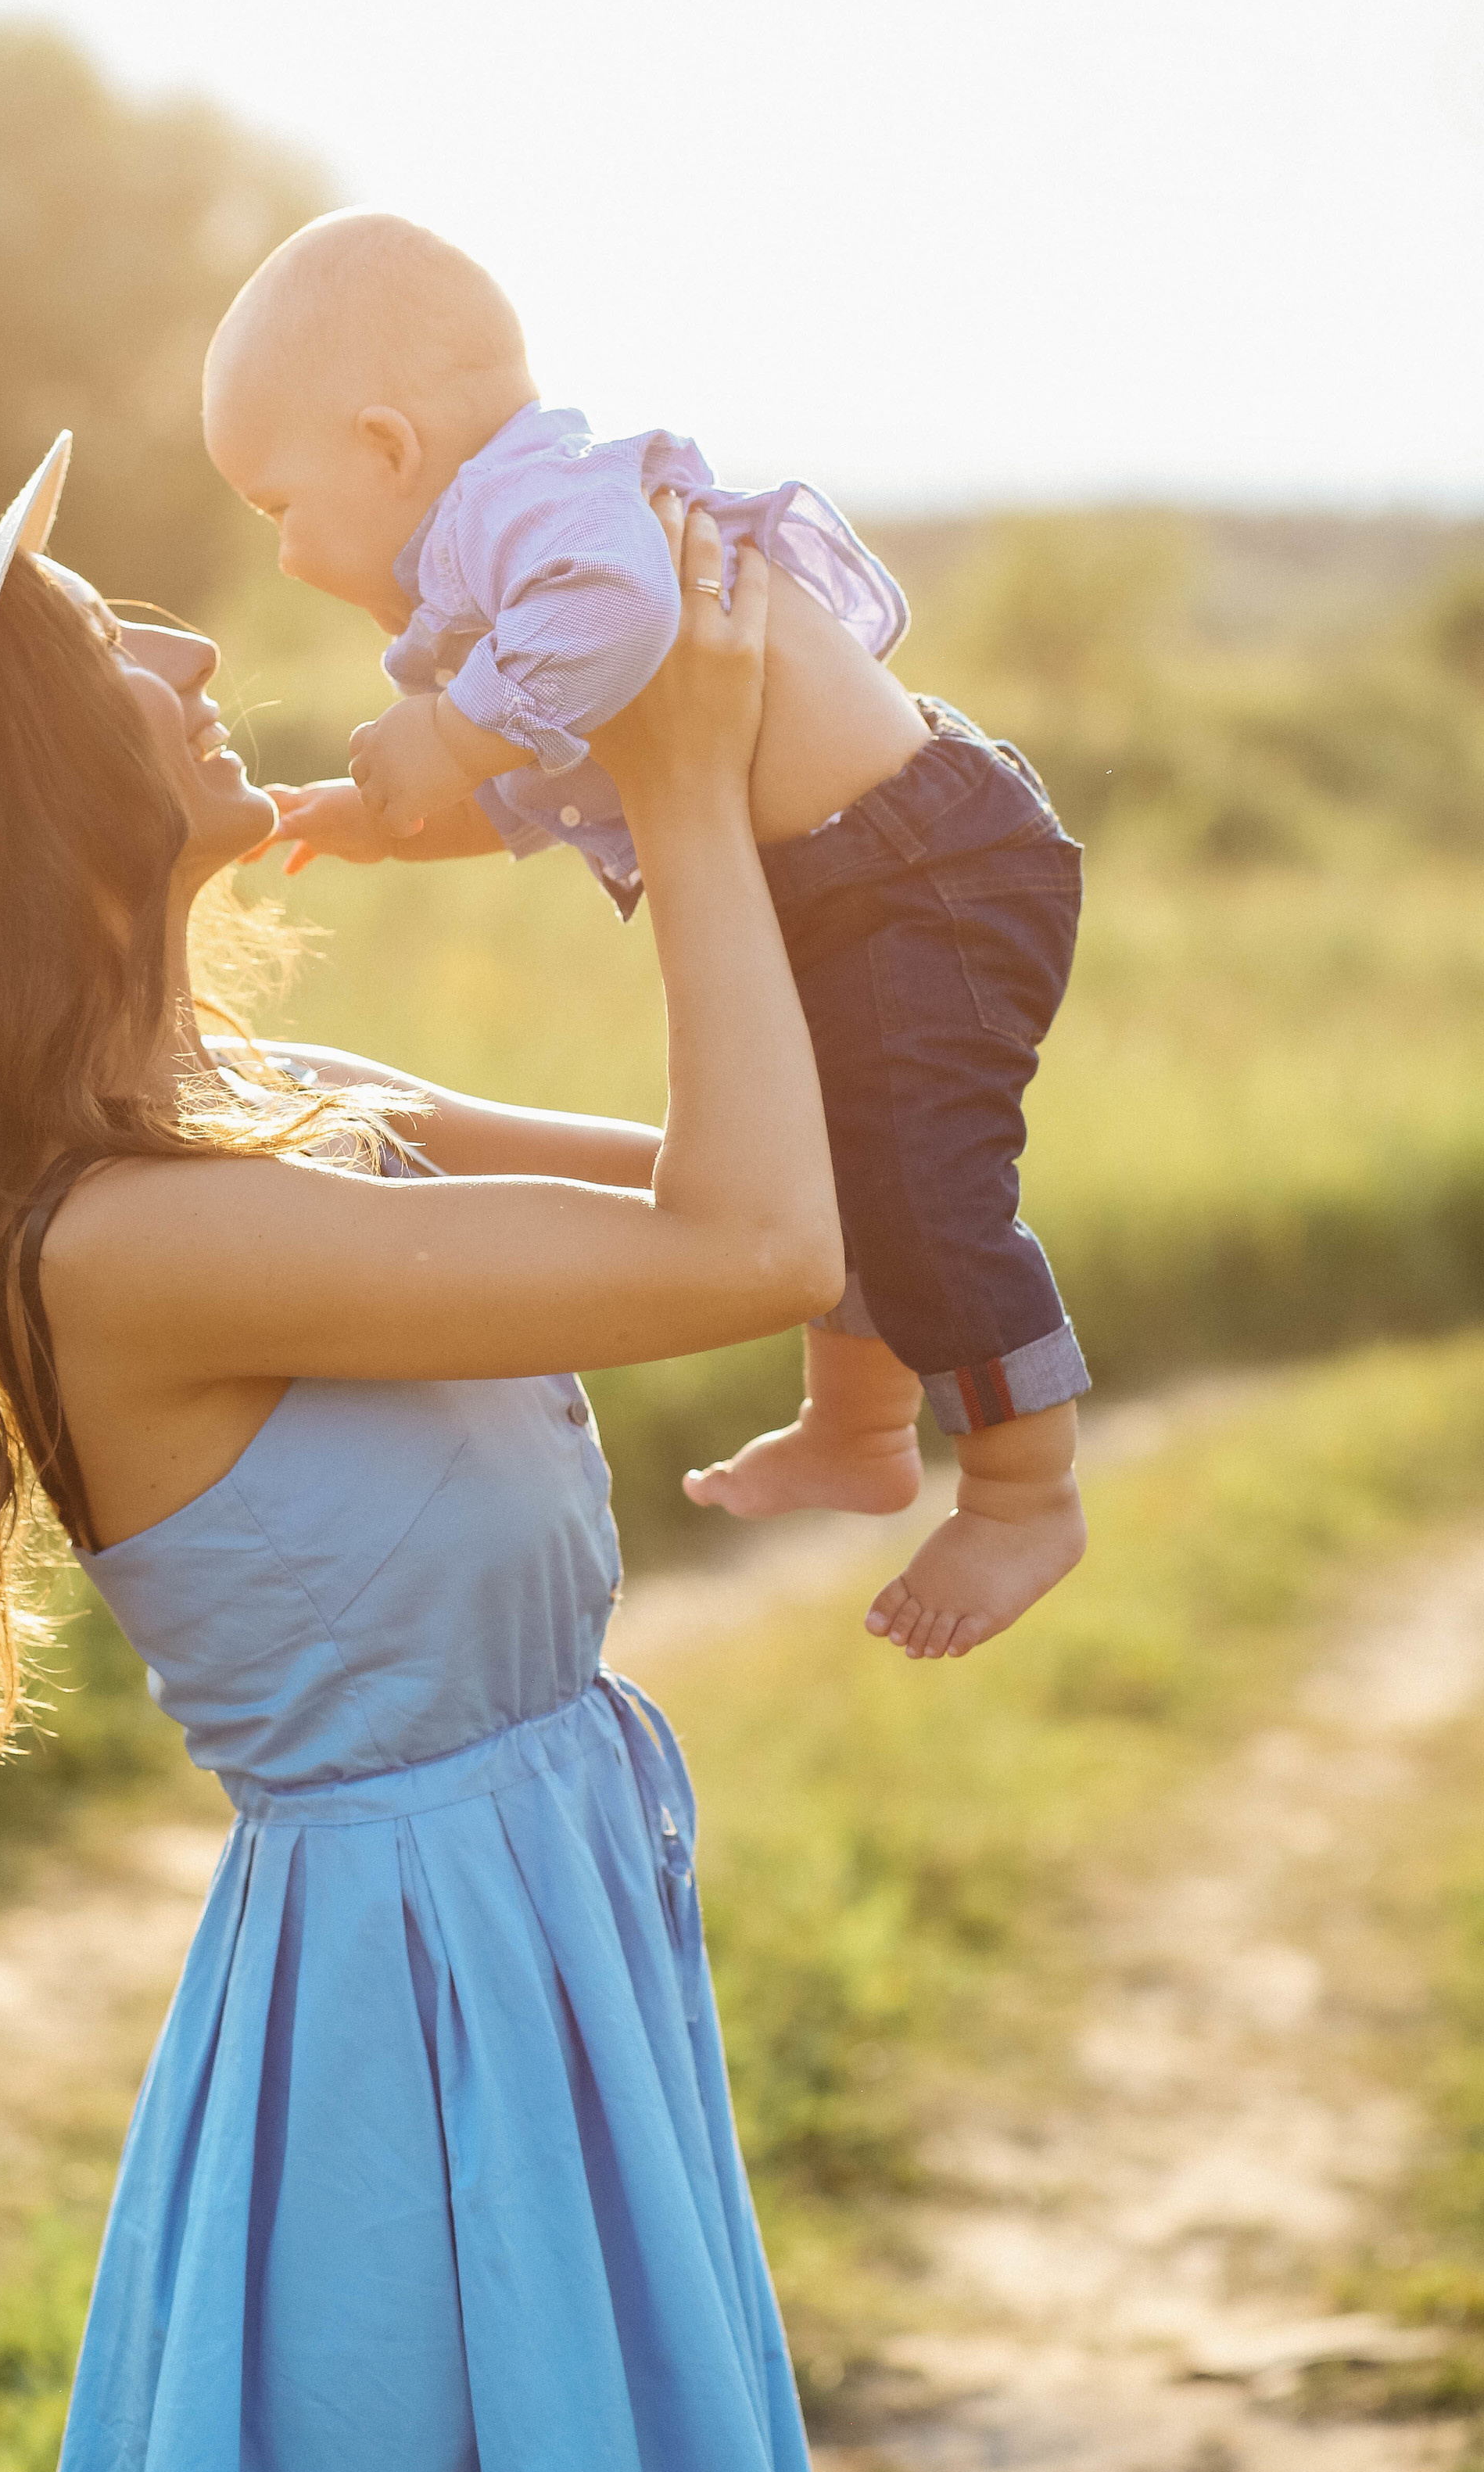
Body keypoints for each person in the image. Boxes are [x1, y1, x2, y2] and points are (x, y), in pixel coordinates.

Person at [0, 432, 878, 2472]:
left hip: (530, 1924)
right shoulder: (130, 1241)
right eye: (105, 642)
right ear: (45, 793)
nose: (193, 639)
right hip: (412, 2006)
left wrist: (646, 757)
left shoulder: (280, 1120)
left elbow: (809, 1173)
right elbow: (762, 1246)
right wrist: (689, 798)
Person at [203, 212, 1089, 1656]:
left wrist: (451, 725)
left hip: (922, 870)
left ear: (386, 445)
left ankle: (1023, 1490)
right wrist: (391, 815)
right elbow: (567, 777)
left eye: (275, 504)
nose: (288, 551)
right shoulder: (497, 583)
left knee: (922, 1180)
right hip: (841, 874)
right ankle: (860, 1426)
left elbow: (620, 614)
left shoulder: (530, 516)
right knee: (834, 1151)